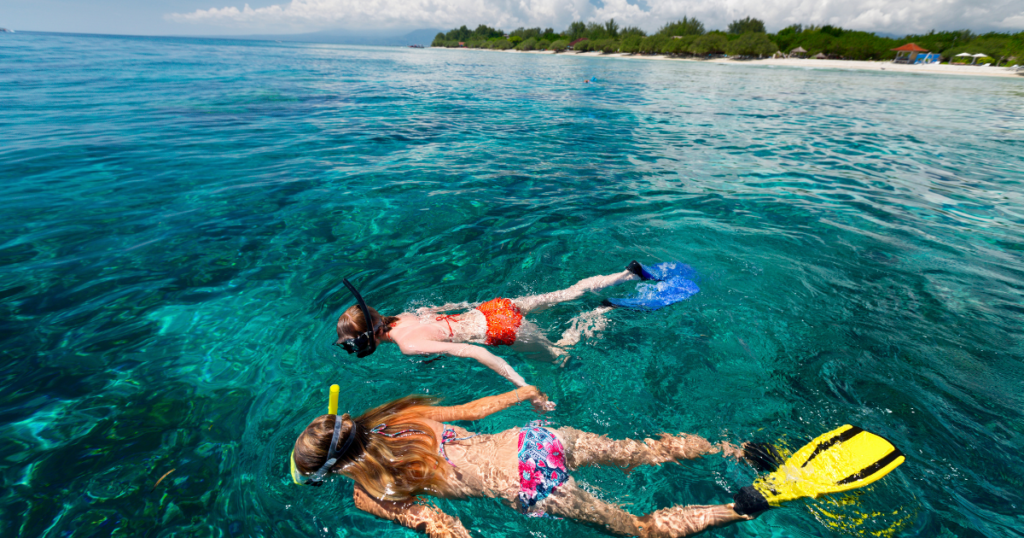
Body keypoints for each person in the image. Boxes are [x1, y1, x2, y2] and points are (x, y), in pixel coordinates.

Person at [290, 386, 757, 538]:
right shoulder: (401, 416)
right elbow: (474, 411)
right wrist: (526, 391)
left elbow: (446, 527)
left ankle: (739, 509)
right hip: (535, 439)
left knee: (640, 529)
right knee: (644, 451)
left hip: (533, 484)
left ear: (333, 470)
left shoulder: (372, 492)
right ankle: (730, 448)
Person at [335, 263, 653, 391]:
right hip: (493, 308)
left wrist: (520, 384)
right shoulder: (402, 316)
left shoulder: (407, 346)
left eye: (354, 344)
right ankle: (628, 273)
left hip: (500, 331)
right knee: (566, 293)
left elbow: (472, 350)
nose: (356, 349)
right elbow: (444, 313)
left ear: (371, 336)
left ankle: (600, 312)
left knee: (564, 356)